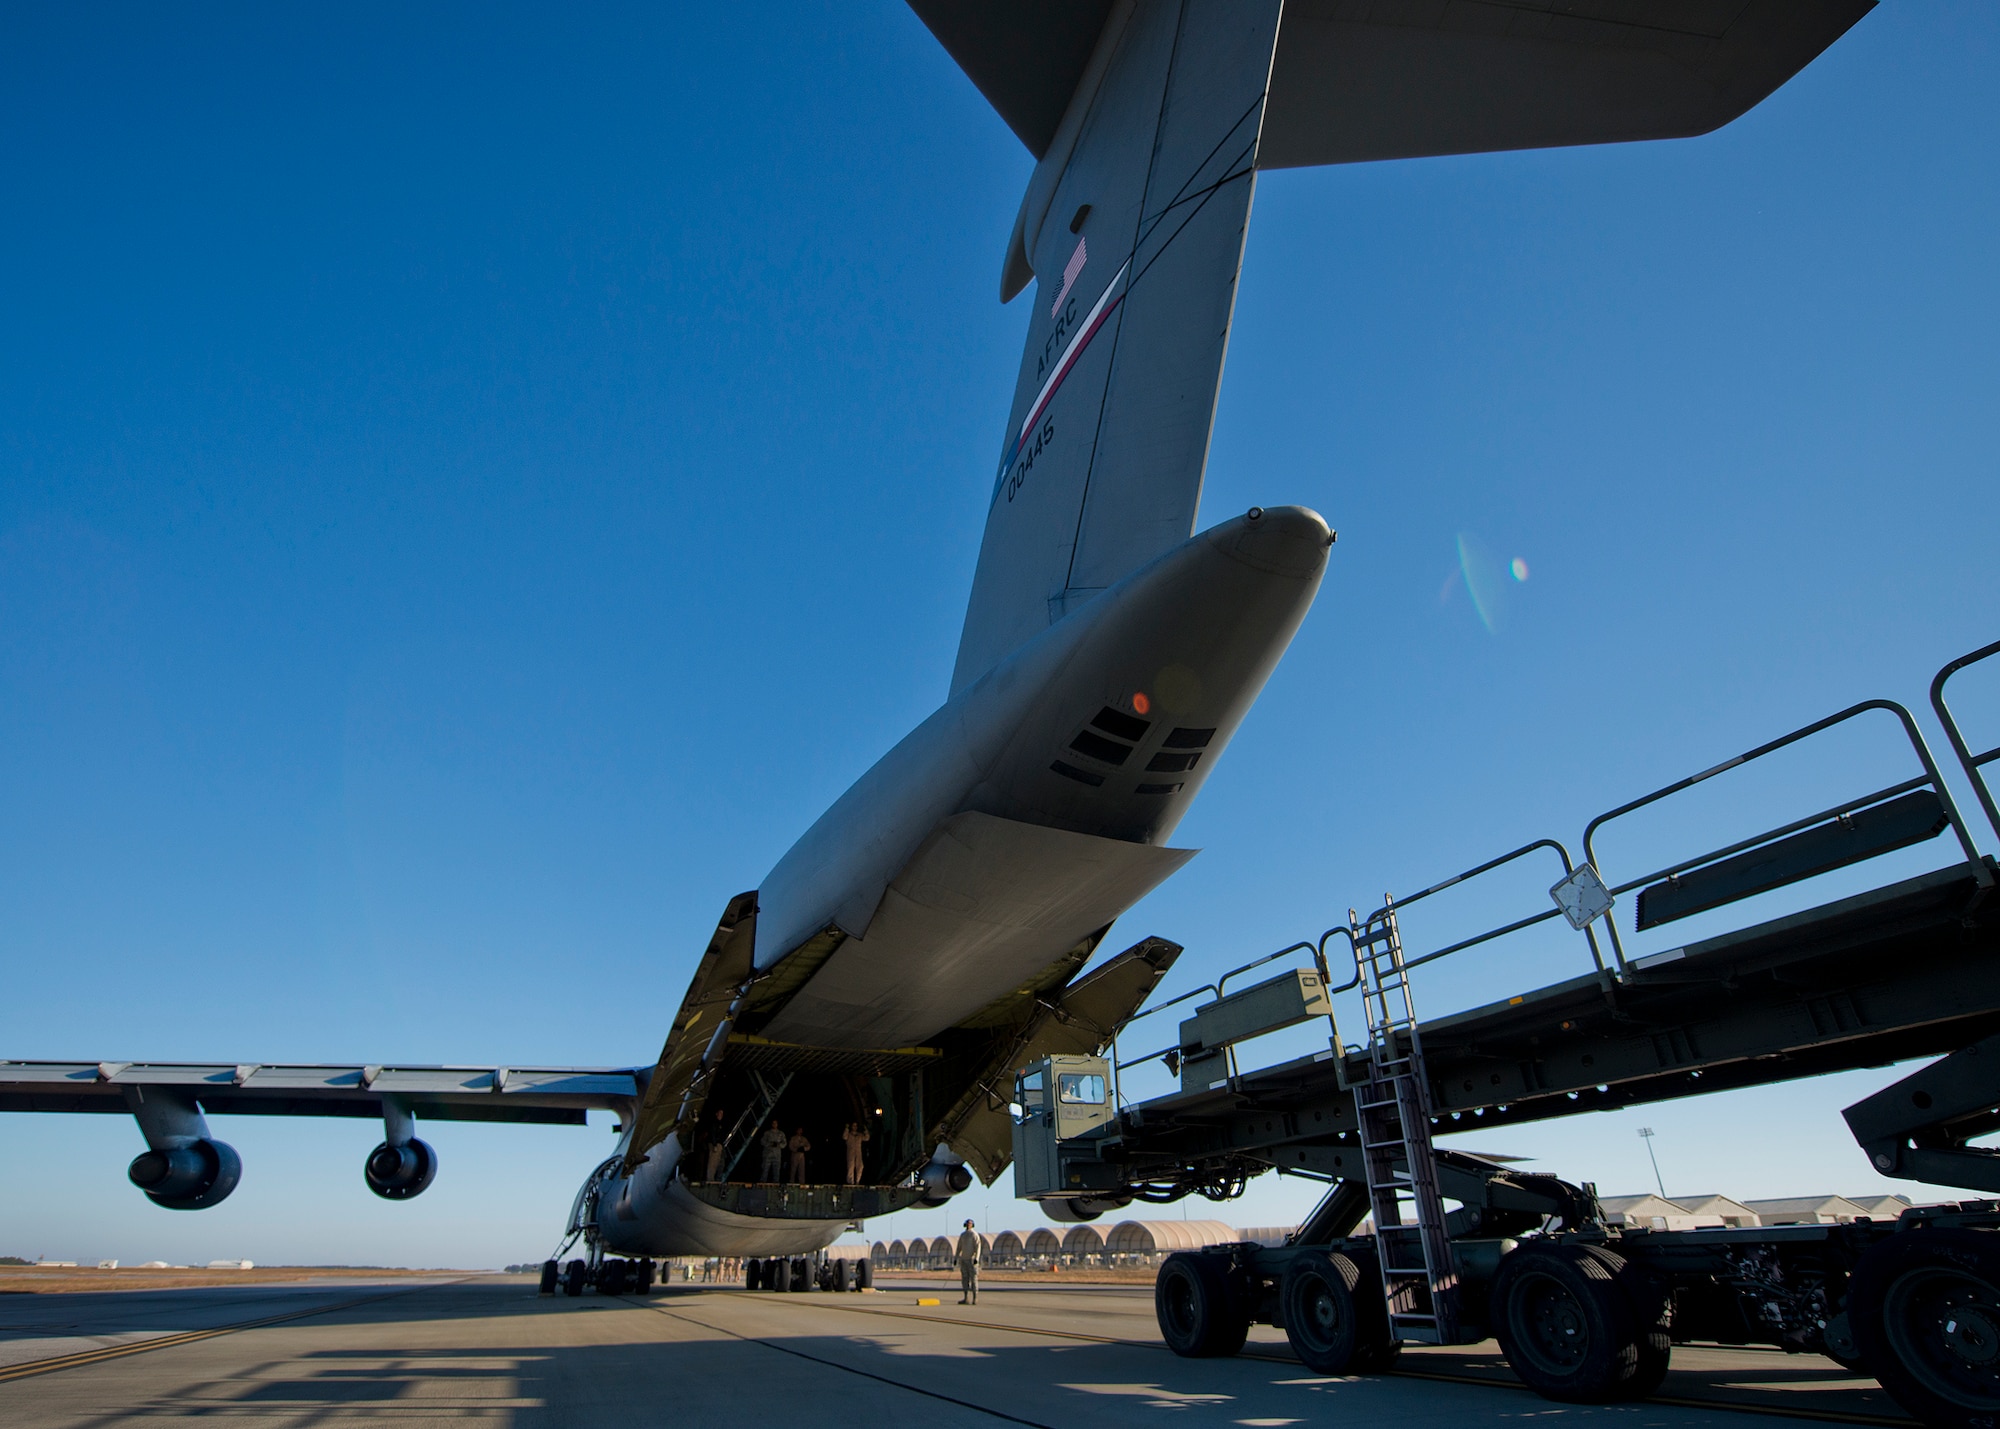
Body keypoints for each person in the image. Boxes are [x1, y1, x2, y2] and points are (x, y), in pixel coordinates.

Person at [956, 1218, 982, 1305]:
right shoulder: (963, 1235)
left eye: (970, 1224)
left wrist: (976, 1258)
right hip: (964, 1259)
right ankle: (966, 1297)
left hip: (972, 1260)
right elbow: (959, 1247)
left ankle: (975, 1298)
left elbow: (978, 1247)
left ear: (972, 1225)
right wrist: (956, 1258)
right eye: (967, 1224)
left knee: (974, 1279)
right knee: (964, 1279)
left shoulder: (974, 1235)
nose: (968, 1225)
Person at [841, 1120, 870, 1186]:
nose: (855, 1127)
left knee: (860, 1166)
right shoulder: (849, 1135)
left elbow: (867, 1138)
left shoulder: (859, 1135)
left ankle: (857, 1181)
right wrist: (846, 1128)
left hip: (858, 1153)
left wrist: (865, 1130)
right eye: (854, 1126)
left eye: (856, 1126)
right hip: (850, 1153)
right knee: (851, 1166)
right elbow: (844, 1137)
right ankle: (850, 1181)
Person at [704, 1107, 727, 1181]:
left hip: (719, 1145)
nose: (721, 1115)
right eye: (720, 1113)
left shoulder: (720, 1124)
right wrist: (714, 1144)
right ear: (716, 1114)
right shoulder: (714, 1123)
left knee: (718, 1163)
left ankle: (714, 1178)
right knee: (712, 1162)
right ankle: (710, 1179)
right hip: (715, 1144)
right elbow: (713, 1133)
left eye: (722, 1114)